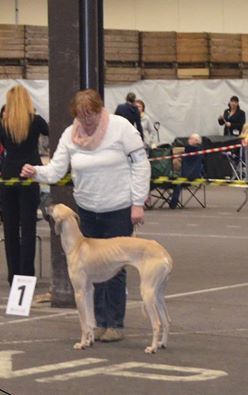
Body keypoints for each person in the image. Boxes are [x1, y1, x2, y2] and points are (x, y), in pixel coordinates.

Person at [21, 88, 150, 342]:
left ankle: (114, 323)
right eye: (81, 115)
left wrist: (138, 203)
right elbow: (57, 170)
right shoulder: (71, 134)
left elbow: (141, 164)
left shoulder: (120, 127)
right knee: (93, 270)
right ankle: (97, 322)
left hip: (118, 208)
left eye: (90, 114)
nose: (86, 120)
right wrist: (35, 171)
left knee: (115, 269)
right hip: (88, 211)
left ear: (100, 109)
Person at [0, 85, 49, 285]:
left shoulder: (3, 123)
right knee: (28, 227)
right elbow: (49, 131)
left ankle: (13, 275)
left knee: (10, 228)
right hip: (30, 174)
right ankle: (26, 276)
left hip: (8, 175)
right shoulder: (36, 121)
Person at [169, 133, 203, 209]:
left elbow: (186, 149)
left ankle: (173, 203)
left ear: (196, 141)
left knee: (177, 183)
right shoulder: (194, 150)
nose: (188, 140)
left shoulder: (194, 149)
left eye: (191, 139)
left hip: (190, 175)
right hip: (188, 174)